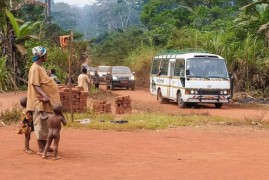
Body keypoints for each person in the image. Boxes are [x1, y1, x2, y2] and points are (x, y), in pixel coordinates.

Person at [26, 46, 62, 155]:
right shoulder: (35, 68)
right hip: (39, 102)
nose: (47, 56)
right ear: (41, 56)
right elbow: (35, 84)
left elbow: (42, 82)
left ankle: (46, 146)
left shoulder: (40, 67)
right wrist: (44, 95)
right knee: (40, 125)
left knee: (45, 125)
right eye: (46, 54)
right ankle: (41, 149)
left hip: (44, 103)